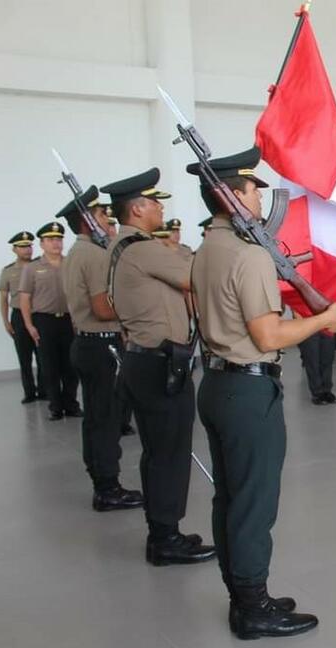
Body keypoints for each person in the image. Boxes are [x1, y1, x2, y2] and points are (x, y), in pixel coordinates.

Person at [189, 146, 336, 639]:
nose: (261, 195)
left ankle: (245, 594)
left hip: (216, 384)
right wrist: (325, 318)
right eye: (253, 188)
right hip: (247, 390)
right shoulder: (249, 254)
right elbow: (268, 337)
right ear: (233, 195)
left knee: (231, 499)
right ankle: (253, 608)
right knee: (254, 503)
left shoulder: (206, 249)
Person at [101, 167, 215, 565]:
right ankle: (166, 539)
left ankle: (162, 532)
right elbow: (196, 277)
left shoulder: (120, 247)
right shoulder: (144, 247)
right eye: (154, 203)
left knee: (158, 451)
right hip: (159, 364)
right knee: (169, 452)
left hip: (142, 360)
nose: (160, 209)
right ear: (137, 208)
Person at [58, 185, 143, 511]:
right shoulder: (93, 255)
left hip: (86, 343)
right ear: (85, 221)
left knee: (95, 417)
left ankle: (102, 480)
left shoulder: (75, 253)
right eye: (99, 213)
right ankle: (108, 487)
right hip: (102, 345)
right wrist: (136, 309)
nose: (106, 217)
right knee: (106, 419)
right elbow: (102, 308)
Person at [19, 222, 81, 420]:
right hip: (44, 321)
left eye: (59, 239)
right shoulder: (33, 268)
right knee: (49, 366)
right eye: (51, 240)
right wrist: (29, 325)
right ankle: (55, 406)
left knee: (71, 365)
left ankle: (71, 404)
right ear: (42, 244)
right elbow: (25, 298)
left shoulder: (70, 263)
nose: (56, 243)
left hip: (69, 320)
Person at [0, 231, 44, 402]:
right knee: (24, 357)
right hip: (18, 316)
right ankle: (29, 392)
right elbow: (4, 298)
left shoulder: (40, 266)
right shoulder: (8, 271)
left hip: (38, 314)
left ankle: (44, 390)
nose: (27, 250)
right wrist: (6, 322)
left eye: (29, 246)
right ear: (14, 249)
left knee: (43, 356)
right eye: (23, 247)